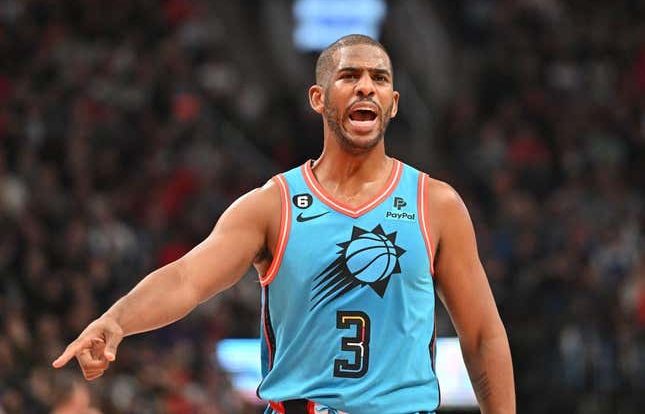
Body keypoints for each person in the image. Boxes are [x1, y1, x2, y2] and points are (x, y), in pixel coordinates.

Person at [53, 34, 515, 414]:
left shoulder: (435, 203)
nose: (365, 87)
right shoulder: (272, 205)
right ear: (318, 97)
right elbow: (187, 277)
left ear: (393, 103)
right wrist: (116, 321)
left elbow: (481, 334)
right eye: (349, 76)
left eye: (379, 79)